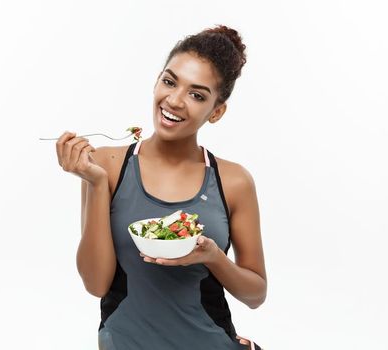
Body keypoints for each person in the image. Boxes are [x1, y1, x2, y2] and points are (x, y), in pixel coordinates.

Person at [54, 25, 266, 349]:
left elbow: (255, 294)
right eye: (169, 81)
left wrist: (213, 257)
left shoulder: (234, 181)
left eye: (197, 95)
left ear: (217, 112)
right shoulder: (106, 166)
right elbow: (96, 284)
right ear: (157, 81)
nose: (175, 101)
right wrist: (96, 184)